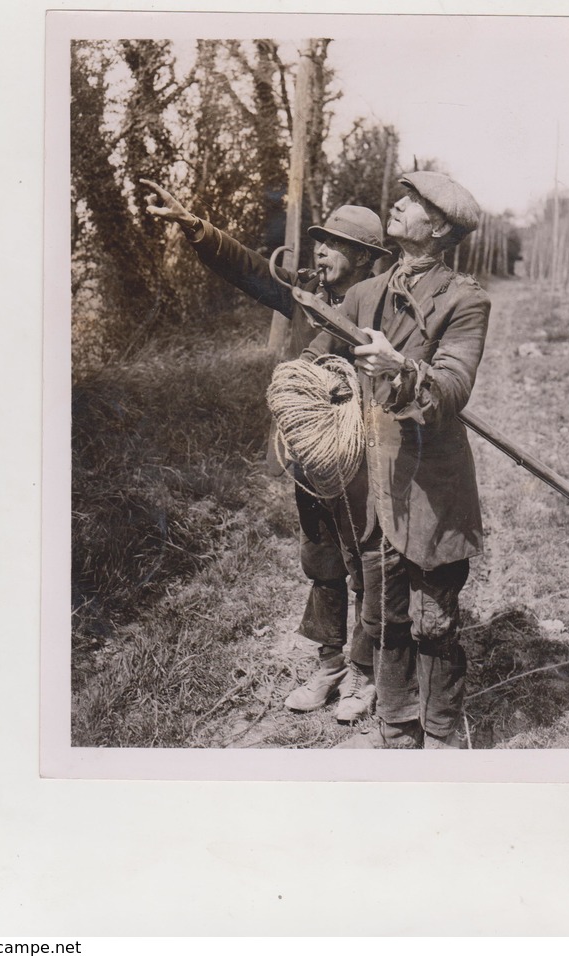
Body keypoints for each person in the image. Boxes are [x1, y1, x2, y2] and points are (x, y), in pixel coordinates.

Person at [141, 178, 391, 721]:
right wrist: (197, 229)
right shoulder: (304, 294)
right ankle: (329, 665)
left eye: (336, 244)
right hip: (310, 457)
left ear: (368, 258)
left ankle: (366, 673)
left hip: (361, 458)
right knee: (321, 556)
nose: (321, 250)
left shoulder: (381, 306)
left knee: (365, 560)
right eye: (319, 241)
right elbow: (251, 269)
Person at [302, 171, 491, 749]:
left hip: (432, 486)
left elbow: (453, 388)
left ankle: (440, 736)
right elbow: (319, 357)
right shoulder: (364, 294)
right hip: (375, 483)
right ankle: (396, 728)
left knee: (434, 620)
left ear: (436, 227)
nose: (399, 204)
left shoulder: (466, 298)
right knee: (387, 614)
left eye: (412, 202)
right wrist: (312, 389)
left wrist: (402, 370)